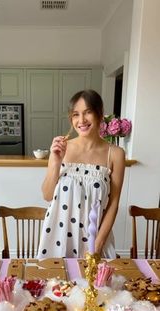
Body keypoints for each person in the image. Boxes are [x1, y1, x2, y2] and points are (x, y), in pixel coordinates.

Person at [37, 89, 125, 258]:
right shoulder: (62, 148)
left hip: (95, 240)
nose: (81, 120)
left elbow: (113, 204)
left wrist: (96, 245)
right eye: (76, 114)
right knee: (57, 284)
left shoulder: (115, 154)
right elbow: (47, 195)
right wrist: (55, 161)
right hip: (58, 237)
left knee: (96, 284)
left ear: (100, 114)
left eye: (88, 113)